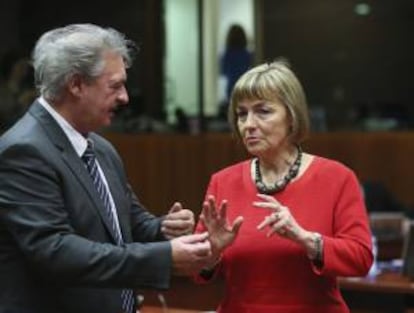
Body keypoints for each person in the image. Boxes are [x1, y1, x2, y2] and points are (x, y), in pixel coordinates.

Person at [0, 23, 212, 313]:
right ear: (76, 85)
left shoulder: (99, 147)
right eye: (115, 86)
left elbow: (130, 225)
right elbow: (55, 251)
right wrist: (164, 257)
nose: (125, 97)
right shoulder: (24, 150)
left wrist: (166, 230)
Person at [195, 60, 373, 313]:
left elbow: (361, 259)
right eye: (241, 114)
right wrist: (212, 252)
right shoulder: (222, 182)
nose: (248, 124)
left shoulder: (337, 178)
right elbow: (197, 272)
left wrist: (305, 239)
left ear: (292, 116)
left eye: (263, 111)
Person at [219, 24, 252, 118]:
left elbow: (223, 72)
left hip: (232, 85)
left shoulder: (227, 54)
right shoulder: (247, 54)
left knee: (234, 114)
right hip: (245, 84)